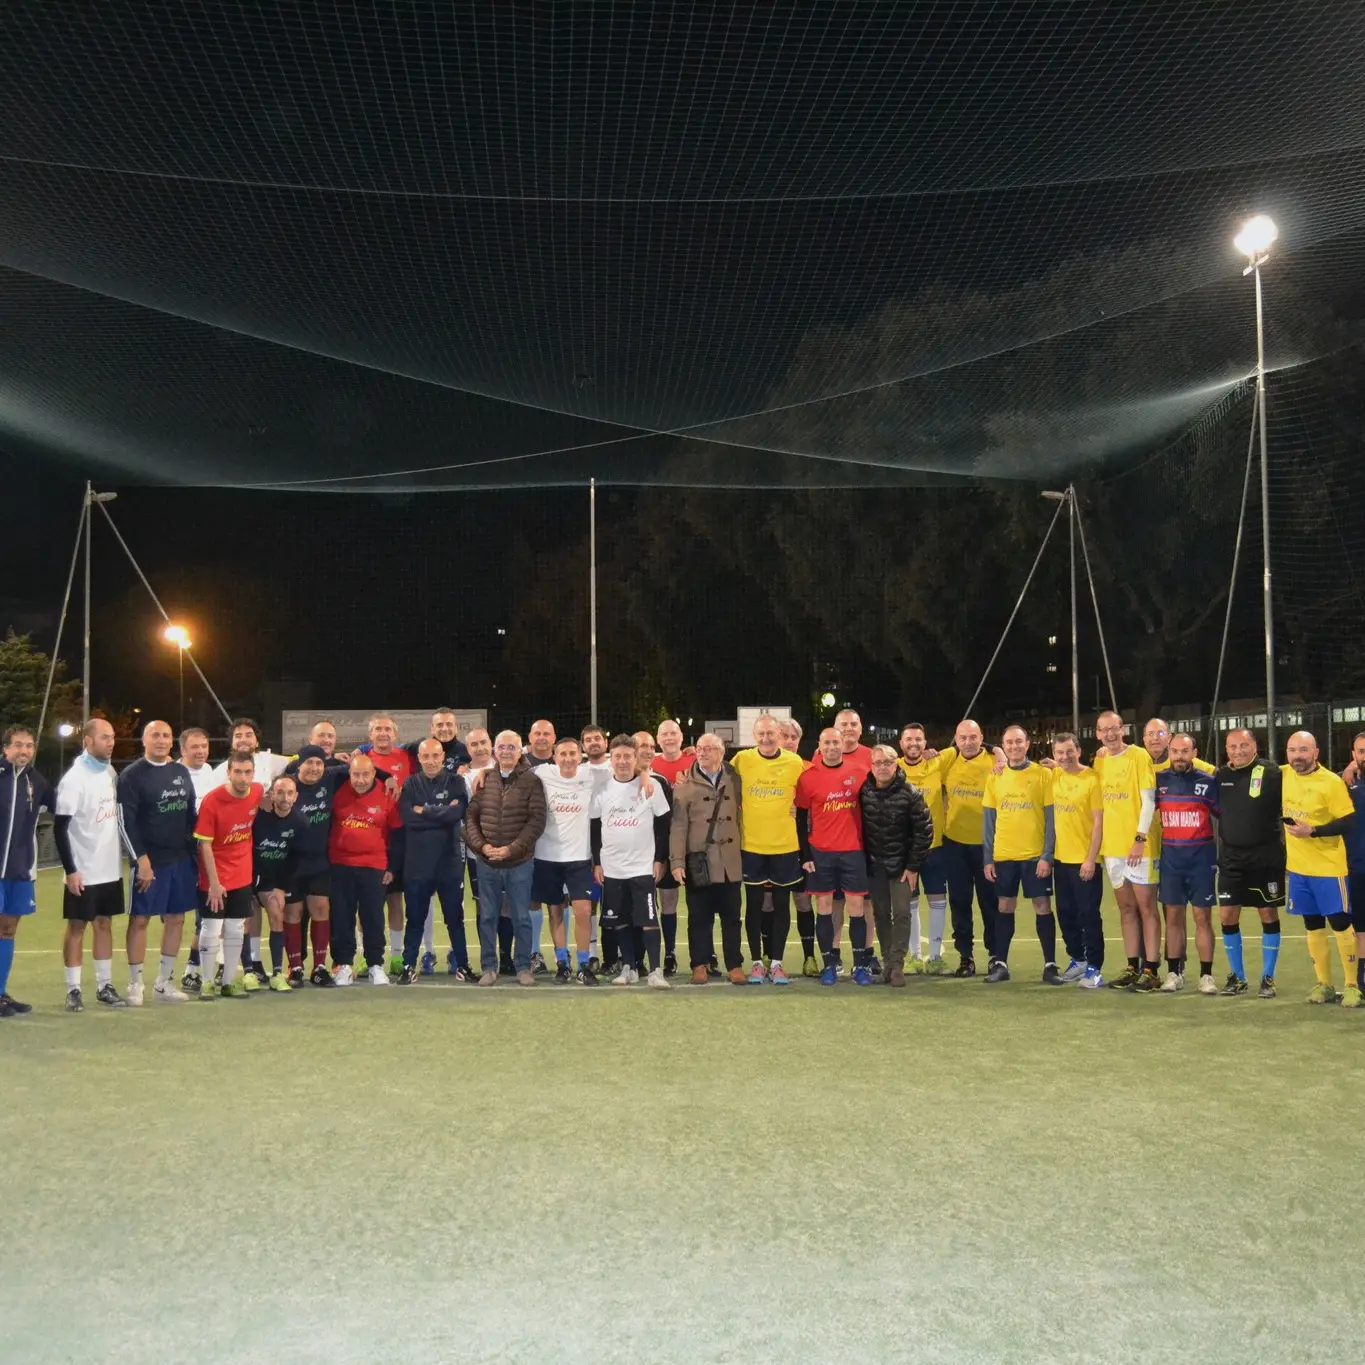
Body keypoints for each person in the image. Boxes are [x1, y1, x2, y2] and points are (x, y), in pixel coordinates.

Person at [116, 718, 197, 1004]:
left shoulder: (180, 772)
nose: (161, 740)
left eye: (166, 735)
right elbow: (126, 822)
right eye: (156, 735)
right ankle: (135, 983)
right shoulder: (132, 775)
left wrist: (195, 853)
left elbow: (191, 815)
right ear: (144, 740)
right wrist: (141, 860)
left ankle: (163, 983)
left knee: (176, 918)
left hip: (180, 860)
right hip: (150, 861)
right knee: (140, 920)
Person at [1282, 731, 1359, 1006]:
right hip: (1299, 869)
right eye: (1292, 750)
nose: (1297, 756)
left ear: (1316, 752)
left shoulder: (1331, 782)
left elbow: (1348, 821)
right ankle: (1324, 984)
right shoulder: (1283, 775)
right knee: (1312, 925)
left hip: (1329, 868)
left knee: (1340, 923)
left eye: (1303, 750)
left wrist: (1313, 831)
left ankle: (1352, 985)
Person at [465, 730, 546, 987]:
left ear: (520, 750)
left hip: (519, 862)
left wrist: (512, 849)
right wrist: (482, 847)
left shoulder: (532, 781)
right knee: (487, 916)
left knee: (521, 917)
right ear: (495, 751)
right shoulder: (484, 779)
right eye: (502, 747)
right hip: (487, 862)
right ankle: (489, 967)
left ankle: (524, 967)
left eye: (512, 747)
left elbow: (536, 821)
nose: (506, 751)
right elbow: (470, 819)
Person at [590, 734, 672, 988]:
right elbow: (594, 828)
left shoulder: (651, 786)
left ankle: (656, 970)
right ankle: (629, 967)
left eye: (628, 756)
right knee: (621, 920)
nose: (623, 761)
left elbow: (663, 825)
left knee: (648, 919)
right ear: (610, 759)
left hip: (642, 867)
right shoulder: (601, 788)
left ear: (636, 758)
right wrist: (597, 862)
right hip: (612, 868)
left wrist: (660, 859)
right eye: (618, 756)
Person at [55, 718, 126, 1010]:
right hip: (83, 870)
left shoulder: (109, 771)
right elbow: (60, 828)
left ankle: (104, 985)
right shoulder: (74, 778)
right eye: (104, 737)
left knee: (105, 925)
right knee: (76, 927)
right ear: (87, 740)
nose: (110, 742)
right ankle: (73, 990)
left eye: (112, 737)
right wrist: (71, 870)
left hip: (109, 868)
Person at [729, 714, 805, 984]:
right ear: (754, 735)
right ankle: (757, 963)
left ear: (779, 735)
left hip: (785, 846)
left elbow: (809, 795)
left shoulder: (795, 762)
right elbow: (716, 773)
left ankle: (777, 963)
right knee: (755, 905)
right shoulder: (742, 761)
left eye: (771, 734)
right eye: (760, 734)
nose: (766, 738)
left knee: (783, 906)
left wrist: (801, 808)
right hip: (752, 846)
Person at [210, 717, 287, 983]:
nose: (243, 739)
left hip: (262, 848)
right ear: (231, 742)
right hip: (231, 850)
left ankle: (254, 961)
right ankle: (222, 962)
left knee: (254, 907)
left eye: (248, 734)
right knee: (232, 912)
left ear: (257, 739)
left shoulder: (270, 762)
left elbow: (302, 760)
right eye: (238, 735)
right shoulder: (219, 771)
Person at [982, 725, 1057, 984]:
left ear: (1027, 744)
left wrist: (1047, 854)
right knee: (1004, 906)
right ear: (1003, 745)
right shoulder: (995, 776)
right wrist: (988, 858)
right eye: (1008, 742)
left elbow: (1051, 818)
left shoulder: (1042, 775)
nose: (1014, 746)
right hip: (1004, 855)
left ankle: (1050, 966)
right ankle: (1001, 964)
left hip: (1035, 855)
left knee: (1042, 906)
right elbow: (989, 821)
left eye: (1018, 742)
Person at [670, 733, 746, 984]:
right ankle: (699, 964)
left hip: (730, 862)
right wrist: (677, 862)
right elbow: (678, 827)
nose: (702, 753)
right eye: (700, 748)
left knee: (732, 917)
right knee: (698, 918)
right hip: (699, 862)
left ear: (721, 751)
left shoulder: (736, 779)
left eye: (709, 748)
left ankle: (734, 965)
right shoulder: (684, 785)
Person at [1215, 728, 1286, 999]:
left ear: (1254, 746)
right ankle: (1238, 977)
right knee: (1226, 915)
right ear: (1226, 748)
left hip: (1265, 858)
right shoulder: (1220, 776)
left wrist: (1350, 767)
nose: (1238, 751)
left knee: (1267, 914)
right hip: (1232, 859)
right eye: (1232, 746)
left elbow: (1303, 776)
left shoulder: (1273, 773)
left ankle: (1268, 977)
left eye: (1244, 745)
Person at [797, 728, 871, 985]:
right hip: (821, 852)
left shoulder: (859, 772)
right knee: (825, 909)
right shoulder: (808, 777)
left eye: (836, 742)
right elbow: (800, 817)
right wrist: (805, 853)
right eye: (826, 742)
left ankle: (860, 966)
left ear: (843, 744)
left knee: (856, 909)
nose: (831, 747)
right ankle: (829, 964)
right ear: (819, 745)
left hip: (853, 851)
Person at [1093, 711, 1161, 992]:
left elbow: (1149, 802)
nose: (1109, 734)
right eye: (1103, 730)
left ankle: (1152, 970)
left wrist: (1139, 838)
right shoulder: (1100, 760)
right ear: (1097, 734)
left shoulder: (1139, 756)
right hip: (1112, 848)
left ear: (1123, 729)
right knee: (1126, 908)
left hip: (1139, 846)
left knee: (1147, 907)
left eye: (1114, 728)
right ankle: (1132, 966)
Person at [396, 737, 470, 984]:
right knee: (415, 919)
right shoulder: (410, 783)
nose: (430, 761)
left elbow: (456, 814)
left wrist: (424, 810)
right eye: (425, 757)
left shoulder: (456, 781)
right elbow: (408, 817)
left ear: (442, 757)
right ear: (419, 759)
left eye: (435, 756)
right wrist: (440, 812)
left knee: (454, 919)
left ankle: (463, 965)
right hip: (417, 864)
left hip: (448, 863)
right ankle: (408, 966)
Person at [530, 736, 602, 984]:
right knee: (555, 911)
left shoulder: (592, 774)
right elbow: (508, 768)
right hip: (547, 856)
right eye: (563, 754)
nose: (569, 758)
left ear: (580, 755)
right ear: (554, 756)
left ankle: (584, 964)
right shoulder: (541, 773)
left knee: (583, 910)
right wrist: (484, 774)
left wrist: (644, 775)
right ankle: (562, 962)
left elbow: (629, 766)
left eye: (573, 753)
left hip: (580, 858)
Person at [859, 745, 933, 986]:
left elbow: (924, 832)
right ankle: (888, 965)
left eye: (887, 763)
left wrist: (912, 867)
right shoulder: (865, 791)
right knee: (881, 915)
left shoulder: (910, 793)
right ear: (871, 766)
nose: (882, 767)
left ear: (896, 765)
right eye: (877, 763)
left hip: (902, 868)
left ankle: (898, 965)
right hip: (875, 867)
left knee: (902, 914)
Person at [193, 750, 264, 999]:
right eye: (238, 772)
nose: (243, 778)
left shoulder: (257, 792)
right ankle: (207, 981)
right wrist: (213, 883)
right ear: (229, 773)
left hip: (242, 876)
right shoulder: (212, 801)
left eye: (247, 772)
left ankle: (228, 981)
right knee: (211, 928)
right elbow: (204, 845)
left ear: (253, 773)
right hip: (214, 877)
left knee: (235, 928)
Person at [1154, 734, 1220, 994]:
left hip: (1201, 861)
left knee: (1202, 917)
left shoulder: (1209, 782)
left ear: (1195, 752)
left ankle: (1206, 975)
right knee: (1173, 917)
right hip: (1171, 861)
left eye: (1185, 751)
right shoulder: (1159, 780)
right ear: (1169, 752)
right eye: (1175, 751)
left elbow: (1225, 814)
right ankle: (1173, 973)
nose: (1179, 756)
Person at [329, 753, 401, 986]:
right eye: (356, 775)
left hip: (374, 866)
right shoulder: (337, 790)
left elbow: (397, 834)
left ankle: (375, 965)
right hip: (340, 865)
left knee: (373, 917)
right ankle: (344, 965)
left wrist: (392, 866)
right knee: (341, 916)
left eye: (365, 774)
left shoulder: (387, 794)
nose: (360, 780)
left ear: (373, 774)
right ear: (349, 774)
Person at [0, 725, 56, 1017]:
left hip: (20, 871)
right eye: (18, 745)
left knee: (7, 929)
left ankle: (1, 992)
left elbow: (63, 806)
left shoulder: (37, 781)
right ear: (5, 748)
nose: (23, 751)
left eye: (29, 746)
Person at [282, 744, 349, 985]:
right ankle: (295, 967)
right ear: (299, 764)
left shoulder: (330, 779)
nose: (313, 768)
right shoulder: (286, 785)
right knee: (293, 913)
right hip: (290, 863)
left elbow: (361, 769)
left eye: (318, 763)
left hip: (319, 861)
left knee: (321, 908)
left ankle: (319, 967)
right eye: (309, 762)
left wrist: (388, 778)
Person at [938, 719, 999, 977]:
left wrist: (998, 751)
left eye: (973, 737)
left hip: (988, 846)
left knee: (990, 903)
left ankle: (996, 956)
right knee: (960, 902)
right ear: (956, 739)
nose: (968, 742)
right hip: (954, 844)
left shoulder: (996, 762)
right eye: (962, 737)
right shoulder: (948, 761)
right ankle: (966, 957)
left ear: (981, 737)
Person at [1045, 733, 1105, 987]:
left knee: (1088, 915)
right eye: (1059, 752)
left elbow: (1098, 823)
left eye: (1069, 751)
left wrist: (1090, 859)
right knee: (1066, 913)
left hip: (1085, 861)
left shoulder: (1092, 779)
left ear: (1079, 751)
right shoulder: (1054, 775)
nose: (1064, 756)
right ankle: (1078, 960)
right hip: (1061, 860)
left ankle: (1095, 967)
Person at [357, 712, 414, 977]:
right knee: (365, 904)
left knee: (395, 900)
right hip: (370, 838)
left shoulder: (407, 758)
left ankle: (396, 957)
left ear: (396, 733)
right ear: (370, 735)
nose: (382, 733)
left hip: (399, 837)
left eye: (387, 729)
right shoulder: (362, 759)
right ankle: (362, 957)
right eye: (377, 729)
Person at [896, 723, 950, 974]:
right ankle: (915, 956)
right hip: (906, 849)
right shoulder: (892, 766)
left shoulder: (938, 762)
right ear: (901, 743)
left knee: (938, 898)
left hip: (936, 846)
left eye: (918, 739)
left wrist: (1001, 754)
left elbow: (969, 744)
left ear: (925, 741)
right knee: (911, 901)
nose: (913, 743)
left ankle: (936, 956)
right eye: (909, 739)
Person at [251, 773, 309, 990]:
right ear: (272, 795)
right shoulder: (259, 815)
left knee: (277, 914)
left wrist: (280, 887)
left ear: (296, 796)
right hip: (249, 875)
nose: (285, 798)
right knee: (248, 917)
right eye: (280, 792)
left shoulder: (300, 822)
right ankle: (251, 969)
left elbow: (295, 860)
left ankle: (277, 972)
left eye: (290, 793)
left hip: (274, 879)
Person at [634, 730, 680, 975]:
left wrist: (661, 858)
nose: (648, 750)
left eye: (652, 746)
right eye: (642, 745)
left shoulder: (660, 781)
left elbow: (665, 824)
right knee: (639, 906)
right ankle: (637, 957)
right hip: (631, 858)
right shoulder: (616, 776)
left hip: (658, 855)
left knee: (668, 902)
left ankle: (670, 953)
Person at [176, 725, 217, 993]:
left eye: (204, 746)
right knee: (176, 915)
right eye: (195, 747)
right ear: (183, 750)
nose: (200, 751)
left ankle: (193, 970)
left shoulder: (211, 772)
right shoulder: (175, 773)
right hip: (182, 852)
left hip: (207, 851)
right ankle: (171, 973)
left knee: (205, 915)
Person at [777, 719, 818, 974]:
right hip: (771, 845)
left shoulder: (810, 769)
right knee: (770, 904)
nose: (789, 740)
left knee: (803, 902)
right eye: (784, 735)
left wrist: (807, 812)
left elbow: (823, 803)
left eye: (794, 736)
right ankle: (771, 959)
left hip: (801, 847)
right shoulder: (760, 766)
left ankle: (809, 958)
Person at [523, 718, 557, 973]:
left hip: (562, 844)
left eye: (547, 733)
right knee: (533, 899)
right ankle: (535, 953)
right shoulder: (521, 764)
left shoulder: (567, 761)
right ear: (530, 737)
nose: (542, 737)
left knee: (561, 900)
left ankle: (562, 954)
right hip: (530, 842)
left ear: (554, 738)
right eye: (538, 733)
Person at [1341, 732, 1365, 999]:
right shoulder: (1346, 783)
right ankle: (1362, 978)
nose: (1363, 756)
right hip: (1356, 866)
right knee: (1360, 926)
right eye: (1360, 751)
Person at [652, 720, 692, 785]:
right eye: (664, 734)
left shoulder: (697, 761)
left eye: (673, 733)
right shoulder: (649, 766)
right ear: (658, 739)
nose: (669, 738)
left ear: (681, 736)